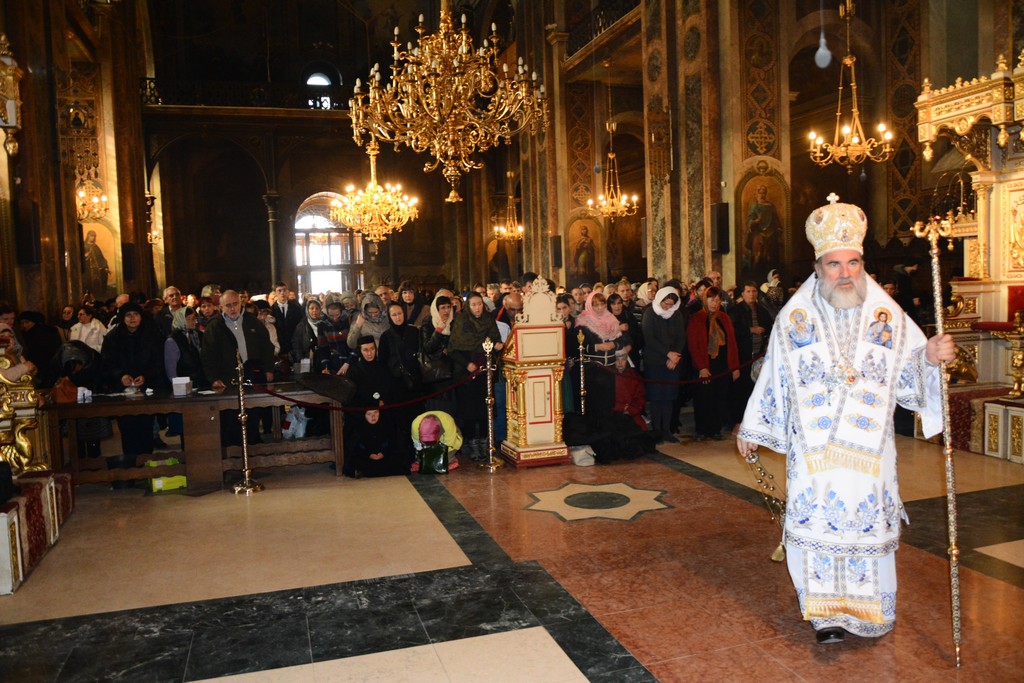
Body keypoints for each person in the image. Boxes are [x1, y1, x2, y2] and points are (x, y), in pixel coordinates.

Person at [736, 194, 955, 645]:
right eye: (834, 264)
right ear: (818, 268)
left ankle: (869, 611)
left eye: (853, 263)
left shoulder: (887, 315)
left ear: (862, 265)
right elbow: (775, 374)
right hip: (814, 453)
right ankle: (825, 616)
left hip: (871, 453)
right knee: (816, 528)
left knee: (866, 527)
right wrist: (754, 425)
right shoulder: (795, 317)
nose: (845, 273)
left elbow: (910, 371)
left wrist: (930, 357)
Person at [447, 292, 502, 460]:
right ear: (468, 306)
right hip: (467, 373)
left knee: (485, 409)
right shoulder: (461, 321)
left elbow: (494, 340)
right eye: (473, 305)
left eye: (479, 304)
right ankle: (472, 444)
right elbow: (453, 349)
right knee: (470, 412)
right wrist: (467, 364)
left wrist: (497, 346)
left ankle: (485, 443)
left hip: (485, 372)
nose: (477, 308)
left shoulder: (488, 320)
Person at [687, 287, 739, 441]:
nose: (714, 303)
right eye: (711, 300)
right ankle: (702, 430)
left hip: (722, 365)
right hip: (705, 365)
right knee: (703, 398)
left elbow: (732, 344)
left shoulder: (724, 318)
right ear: (705, 300)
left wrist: (734, 367)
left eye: (717, 300)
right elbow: (693, 345)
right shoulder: (697, 318)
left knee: (719, 397)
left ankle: (715, 429)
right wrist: (701, 367)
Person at [575, 291, 631, 417]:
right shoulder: (583, 322)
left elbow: (622, 340)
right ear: (590, 305)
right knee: (596, 402)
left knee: (609, 401)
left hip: (611, 367)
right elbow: (578, 346)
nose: (600, 308)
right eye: (596, 305)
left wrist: (613, 344)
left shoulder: (611, 319)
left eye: (602, 304)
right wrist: (597, 346)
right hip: (593, 368)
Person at [641, 287, 686, 442]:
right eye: (665, 304)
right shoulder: (650, 313)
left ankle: (666, 431)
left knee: (668, 397)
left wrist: (675, 356)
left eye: (671, 304)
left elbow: (681, 337)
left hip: (672, 362)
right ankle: (657, 431)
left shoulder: (677, 314)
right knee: (656, 397)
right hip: (654, 361)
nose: (668, 307)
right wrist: (668, 353)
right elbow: (649, 338)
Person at [729, 282, 775, 424]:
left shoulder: (762, 310)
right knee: (740, 390)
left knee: (757, 390)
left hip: (759, 357)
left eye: (754, 291)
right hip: (742, 357)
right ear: (742, 294)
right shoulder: (735, 311)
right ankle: (737, 421)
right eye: (748, 291)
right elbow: (731, 331)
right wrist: (750, 330)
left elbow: (771, 328)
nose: (751, 294)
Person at [272, 281, 304, 357]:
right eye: (279, 291)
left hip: (294, 346)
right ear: (275, 293)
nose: (282, 293)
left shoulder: (296, 308)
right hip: (279, 347)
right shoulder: (272, 310)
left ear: (287, 292)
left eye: (284, 290)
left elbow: (300, 325)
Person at [82, 229, 110, 299]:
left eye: (94, 236)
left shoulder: (95, 246)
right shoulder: (83, 246)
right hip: (88, 270)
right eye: (91, 236)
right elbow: (80, 257)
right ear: (88, 236)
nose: (93, 237)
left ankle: (100, 296)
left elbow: (101, 257)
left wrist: (105, 266)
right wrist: (86, 256)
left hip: (97, 270)